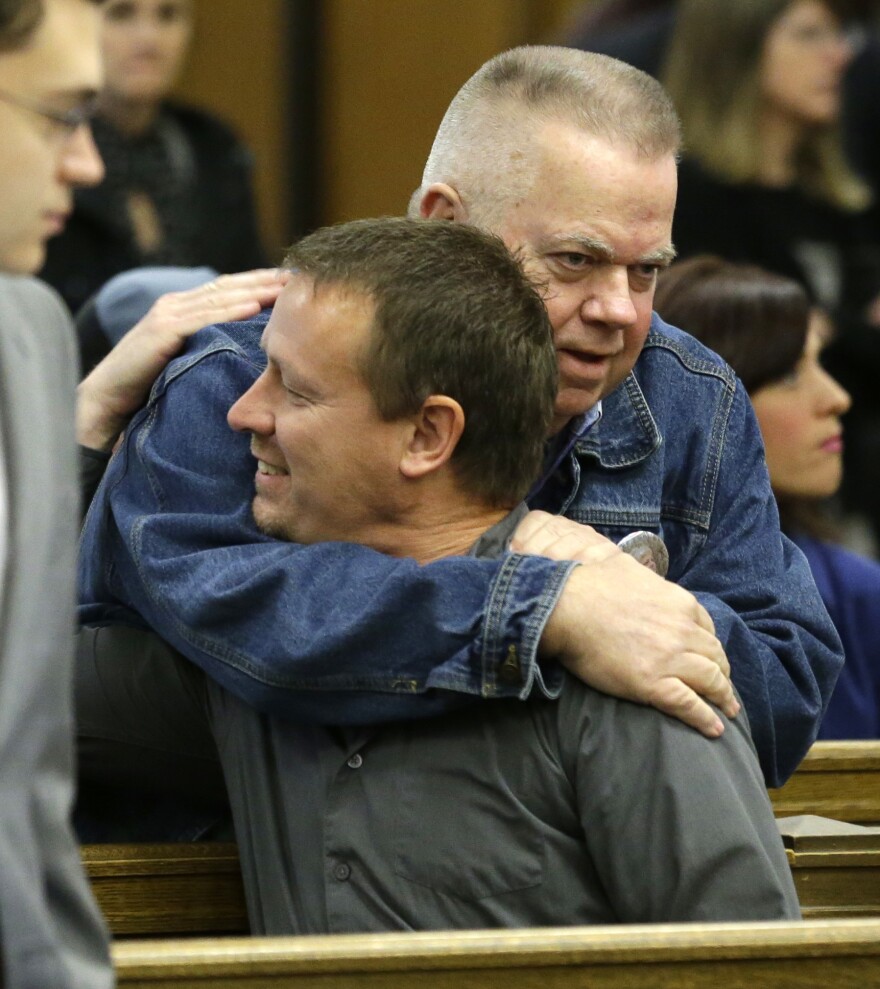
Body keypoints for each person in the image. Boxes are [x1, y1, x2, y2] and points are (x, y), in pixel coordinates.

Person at [78, 46, 843, 789]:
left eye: (647, 271)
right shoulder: (247, 379)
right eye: (576, 260)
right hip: (212, 882)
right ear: (445, 221)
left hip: (578, 887)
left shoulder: (692, 398)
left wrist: (621, 595)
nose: (618, 311)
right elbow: (244, 624)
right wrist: (553, 610)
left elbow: (782, 698)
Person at [77, 216, 800, 932]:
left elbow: (754, 966)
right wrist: (79, 428)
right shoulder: (247, 659)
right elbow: (24, 681)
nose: (240, 411)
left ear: (427, 435)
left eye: (294, 391)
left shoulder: (634, 666)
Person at [661, 0, 880, 542]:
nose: (837, 56)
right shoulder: (693, 201)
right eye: (808, 36)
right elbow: (735, 359)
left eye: (838, 35)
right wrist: (844, 331)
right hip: (747, 501)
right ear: (738, 51)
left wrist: (830, 329)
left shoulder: (840, 199)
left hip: (854, 480)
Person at [654, 256, 880, 739]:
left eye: (821, 363)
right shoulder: (621, 578)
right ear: (699, 400)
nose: (837, 397)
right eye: (789, 375)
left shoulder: (859, 590)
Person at [38, 0, 266, 321]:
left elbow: (253, 287)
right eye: (121, 14)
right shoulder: (42, 149)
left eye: (168, 15)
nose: (149, 40)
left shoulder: (214, 149)